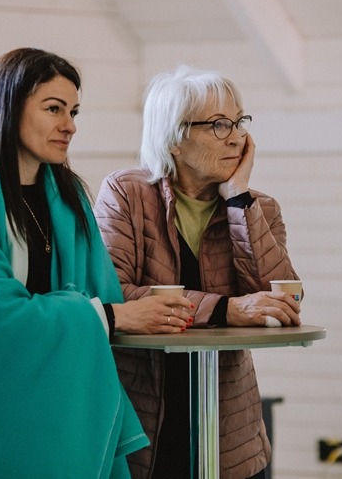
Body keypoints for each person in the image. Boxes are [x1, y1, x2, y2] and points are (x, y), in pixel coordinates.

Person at [0, 48, 191, 479]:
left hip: (59, 407)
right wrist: (108, 316)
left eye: (74, 111)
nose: (70, 125)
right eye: (54, 109)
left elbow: (103, 293)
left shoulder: (69, 197)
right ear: (8, 105)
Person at [93, 65, 302, 479]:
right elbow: (115, 293)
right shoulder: (126, 194)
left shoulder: (260, 206)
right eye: (219, 125)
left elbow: (280, 301)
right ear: (174, 137)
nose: (237, 136)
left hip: (228, 425)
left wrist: (239, 200)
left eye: (240, 121)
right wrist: (226, 309)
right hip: (142, 419)